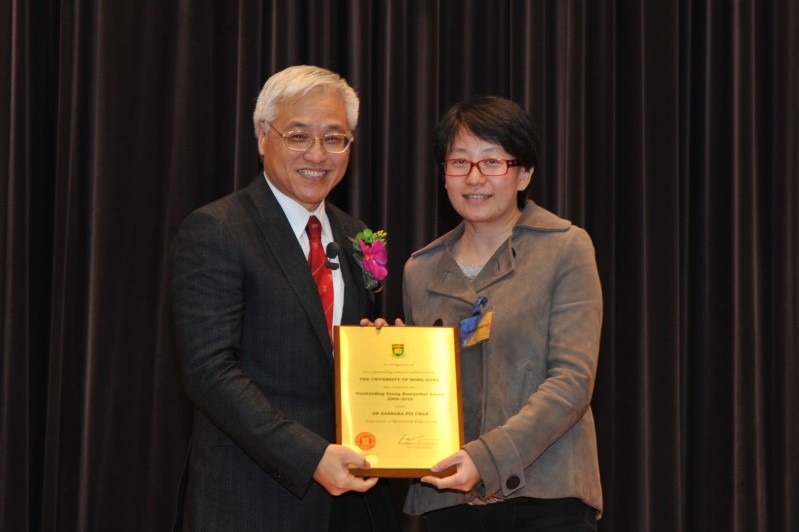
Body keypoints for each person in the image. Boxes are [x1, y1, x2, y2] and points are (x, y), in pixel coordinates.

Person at [169, 65, 398, 531]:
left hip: (350, 506)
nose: (318, 153)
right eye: (298, 135)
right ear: (262, 136)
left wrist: (377, 356)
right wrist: (311, 456)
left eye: (334, 138)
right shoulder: (218, 229)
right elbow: (210, 373)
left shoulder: (357, 235)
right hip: (252, 500)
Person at [400, 96, 603, 530]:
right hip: (450, 503)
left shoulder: (566, 248)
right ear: (444, 174)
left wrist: (486, 459)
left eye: (492, 162)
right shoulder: (420, 270)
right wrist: (390, 361)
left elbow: (572, 381)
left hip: (545, 499)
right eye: (459, 162)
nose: (474, 177)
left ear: (524, 173)